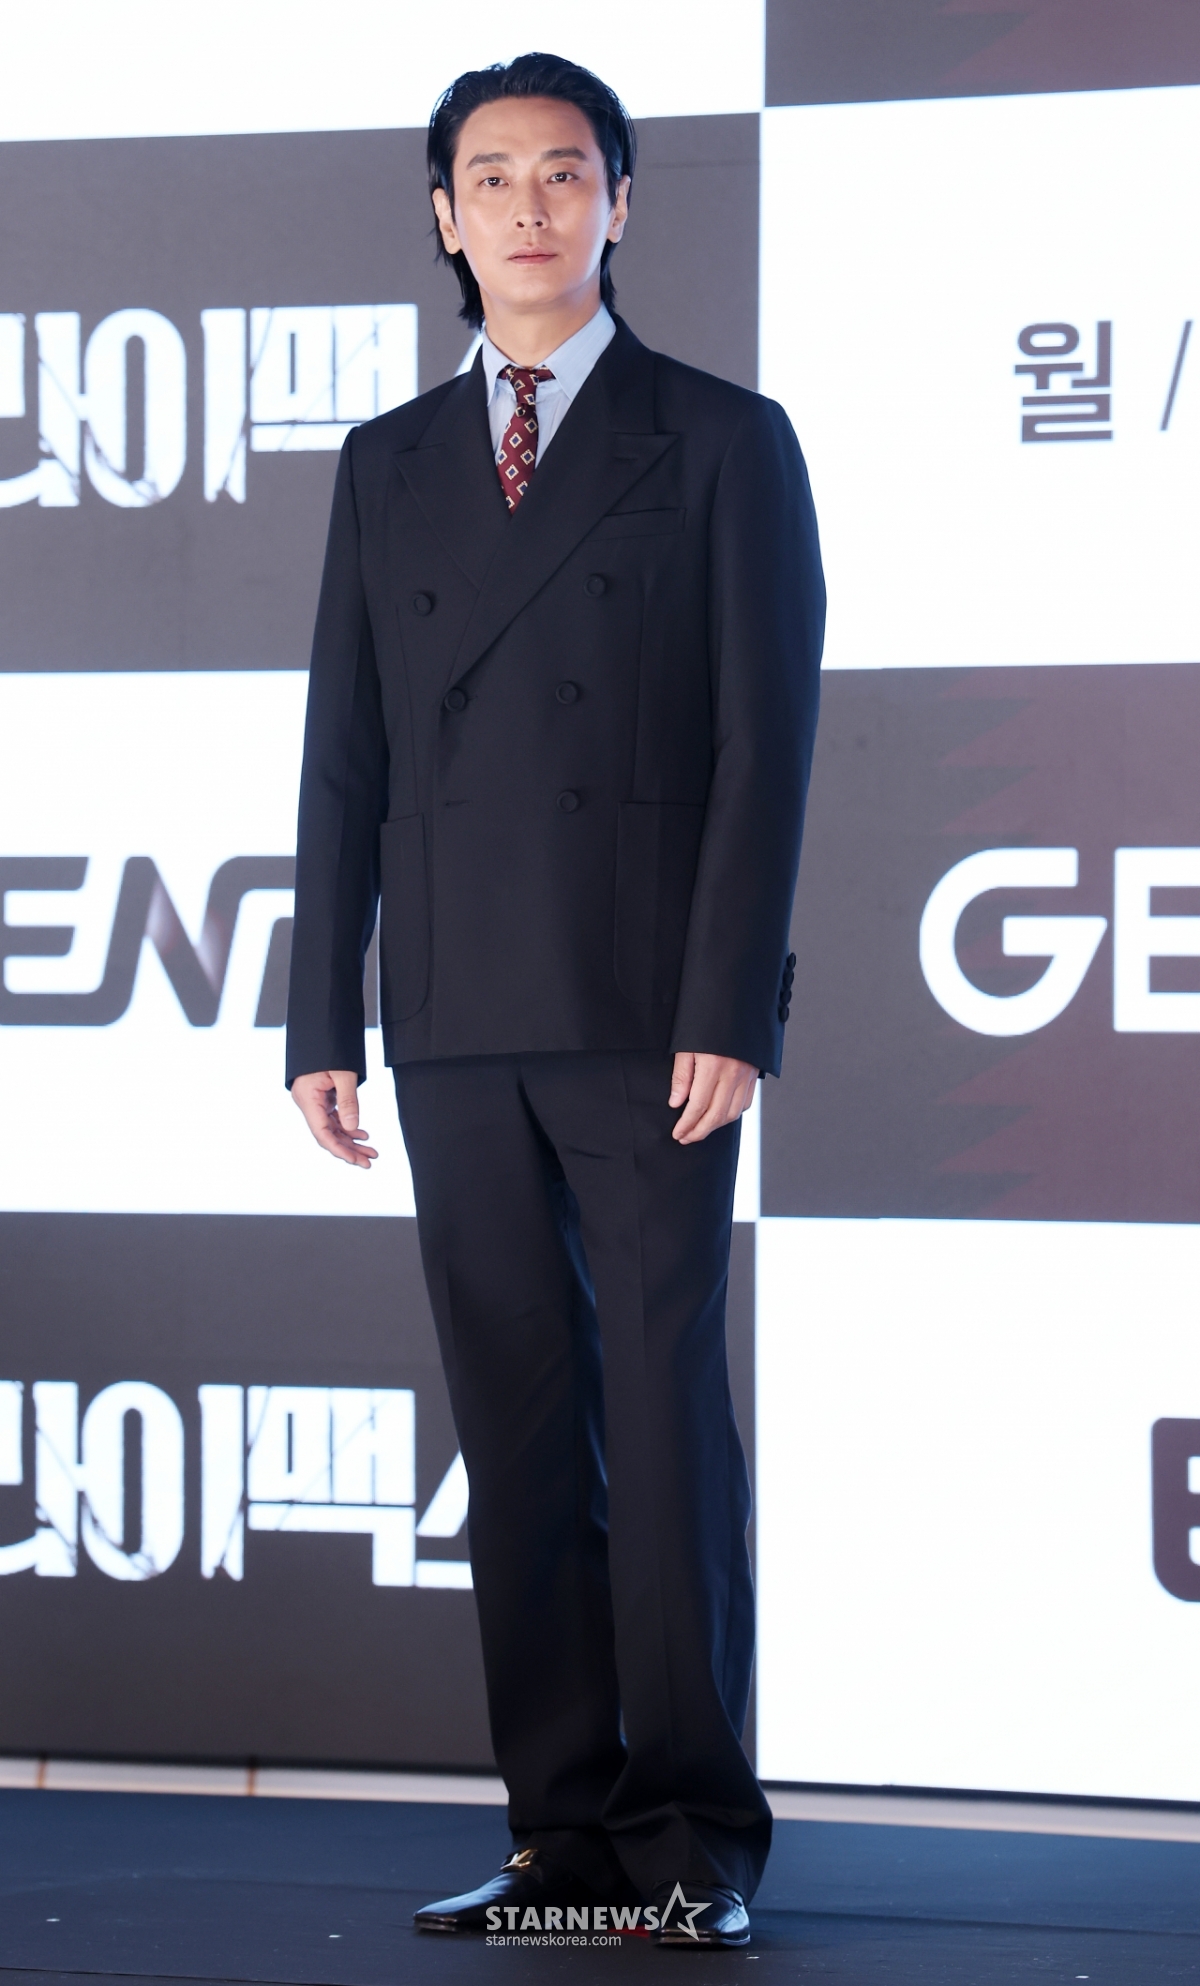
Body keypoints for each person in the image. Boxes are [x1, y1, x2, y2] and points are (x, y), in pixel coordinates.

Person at [286, 51, 824, 1951]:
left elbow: (766, 746)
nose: (530, 205)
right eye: (494, 175)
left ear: (621, 203)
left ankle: (695, 1835)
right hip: (451, 1005)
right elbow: (343, 752)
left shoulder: (723, 439)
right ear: (445, 215)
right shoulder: (386, 463)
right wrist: (320, 1012)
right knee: (514, 1425)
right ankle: (562, 1832)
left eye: (566, 171)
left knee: (664, 1427)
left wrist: (732, 1001)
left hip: (646, 1005)